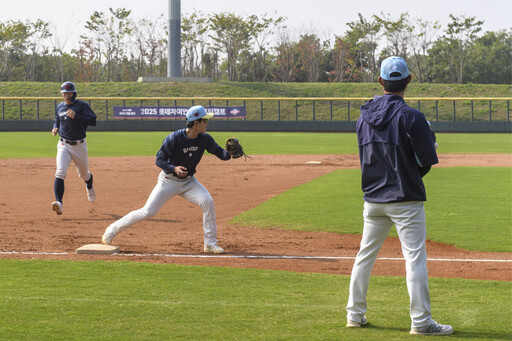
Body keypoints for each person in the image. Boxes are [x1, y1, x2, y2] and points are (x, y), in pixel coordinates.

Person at [346, 56, 453, 336]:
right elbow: (426, 162)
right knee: (414, 259)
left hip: (373, 199)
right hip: (405, 198)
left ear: (380, 81)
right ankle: (421, 322)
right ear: (408, 81)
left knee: (364, 256)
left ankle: (354, 315)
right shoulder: (413, 117)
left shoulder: (363, 117)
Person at [102, 105, 232, 254]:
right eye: (205, 120)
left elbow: (221, 154)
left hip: (189, 183)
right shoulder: (174, 138)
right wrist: (174, 168)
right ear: (196, 122)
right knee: (148, 211)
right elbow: (159, 160)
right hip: (168, 181)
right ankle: (111, 230)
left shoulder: (205, 139)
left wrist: (230, 153)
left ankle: (210, 244)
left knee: (207, 202)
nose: (207, 123)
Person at [51, 81, 97, 215]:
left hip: (79, 146)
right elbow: (57, 119)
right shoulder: (60, 106)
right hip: (63, 144)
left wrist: (76, 116)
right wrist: (55, 126)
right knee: (60, 172)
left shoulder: (82, 106)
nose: (66, 95)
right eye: (64, 93)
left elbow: (93, 121)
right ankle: (59, 203)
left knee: (84, 174)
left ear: (74, 93)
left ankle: (89, 184)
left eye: (69, 92)